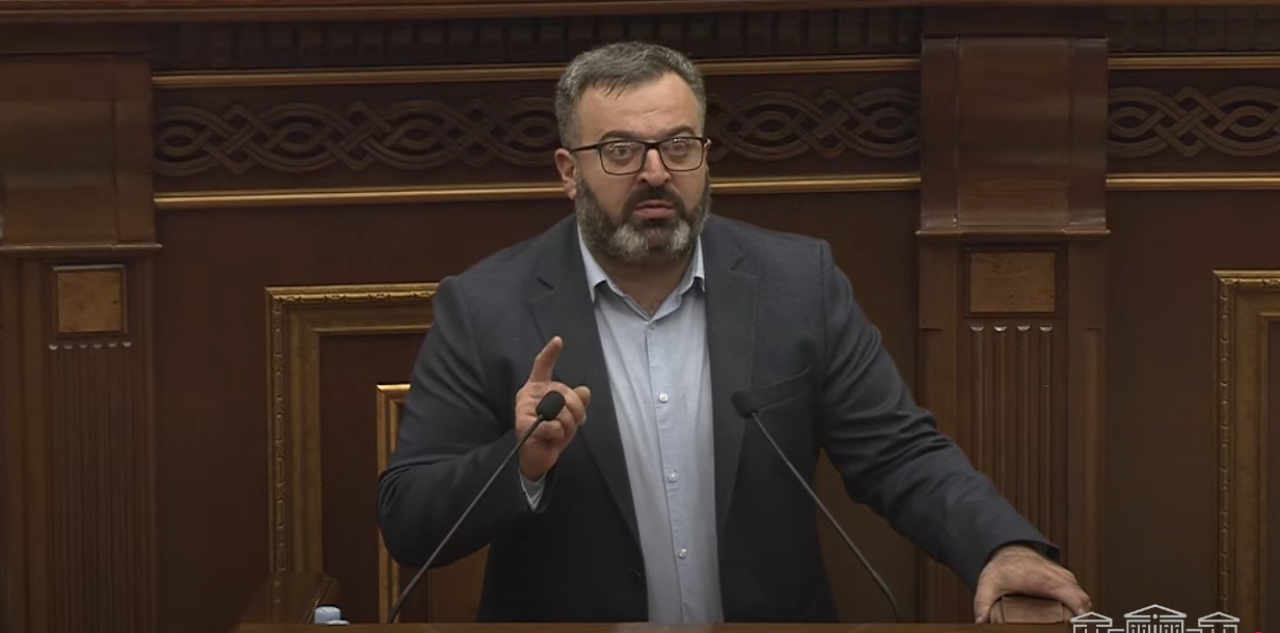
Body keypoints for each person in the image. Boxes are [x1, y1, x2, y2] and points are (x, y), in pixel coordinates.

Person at [377, 40, 1091, 624]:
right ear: (570, 171)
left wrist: (998, 546)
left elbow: (898, 452)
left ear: (705, 154)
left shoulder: (797, 283)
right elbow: (408, 519)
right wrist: (520, 463)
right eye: (621, 151)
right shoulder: (486, 307)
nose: (655, 173)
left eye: (678, 145)